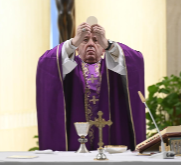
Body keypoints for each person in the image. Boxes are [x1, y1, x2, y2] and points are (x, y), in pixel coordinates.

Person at [36, 23, 145, 151]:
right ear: (76, 48)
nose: (91, 44)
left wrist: (109, 44)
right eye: (85, 40)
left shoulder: (115, 69)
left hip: (111, 135)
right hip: (73, 139)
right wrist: (73, 41)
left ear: (103, 49)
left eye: (97, 41)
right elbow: (46, 63)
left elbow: (135, 61)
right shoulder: (67, 67)